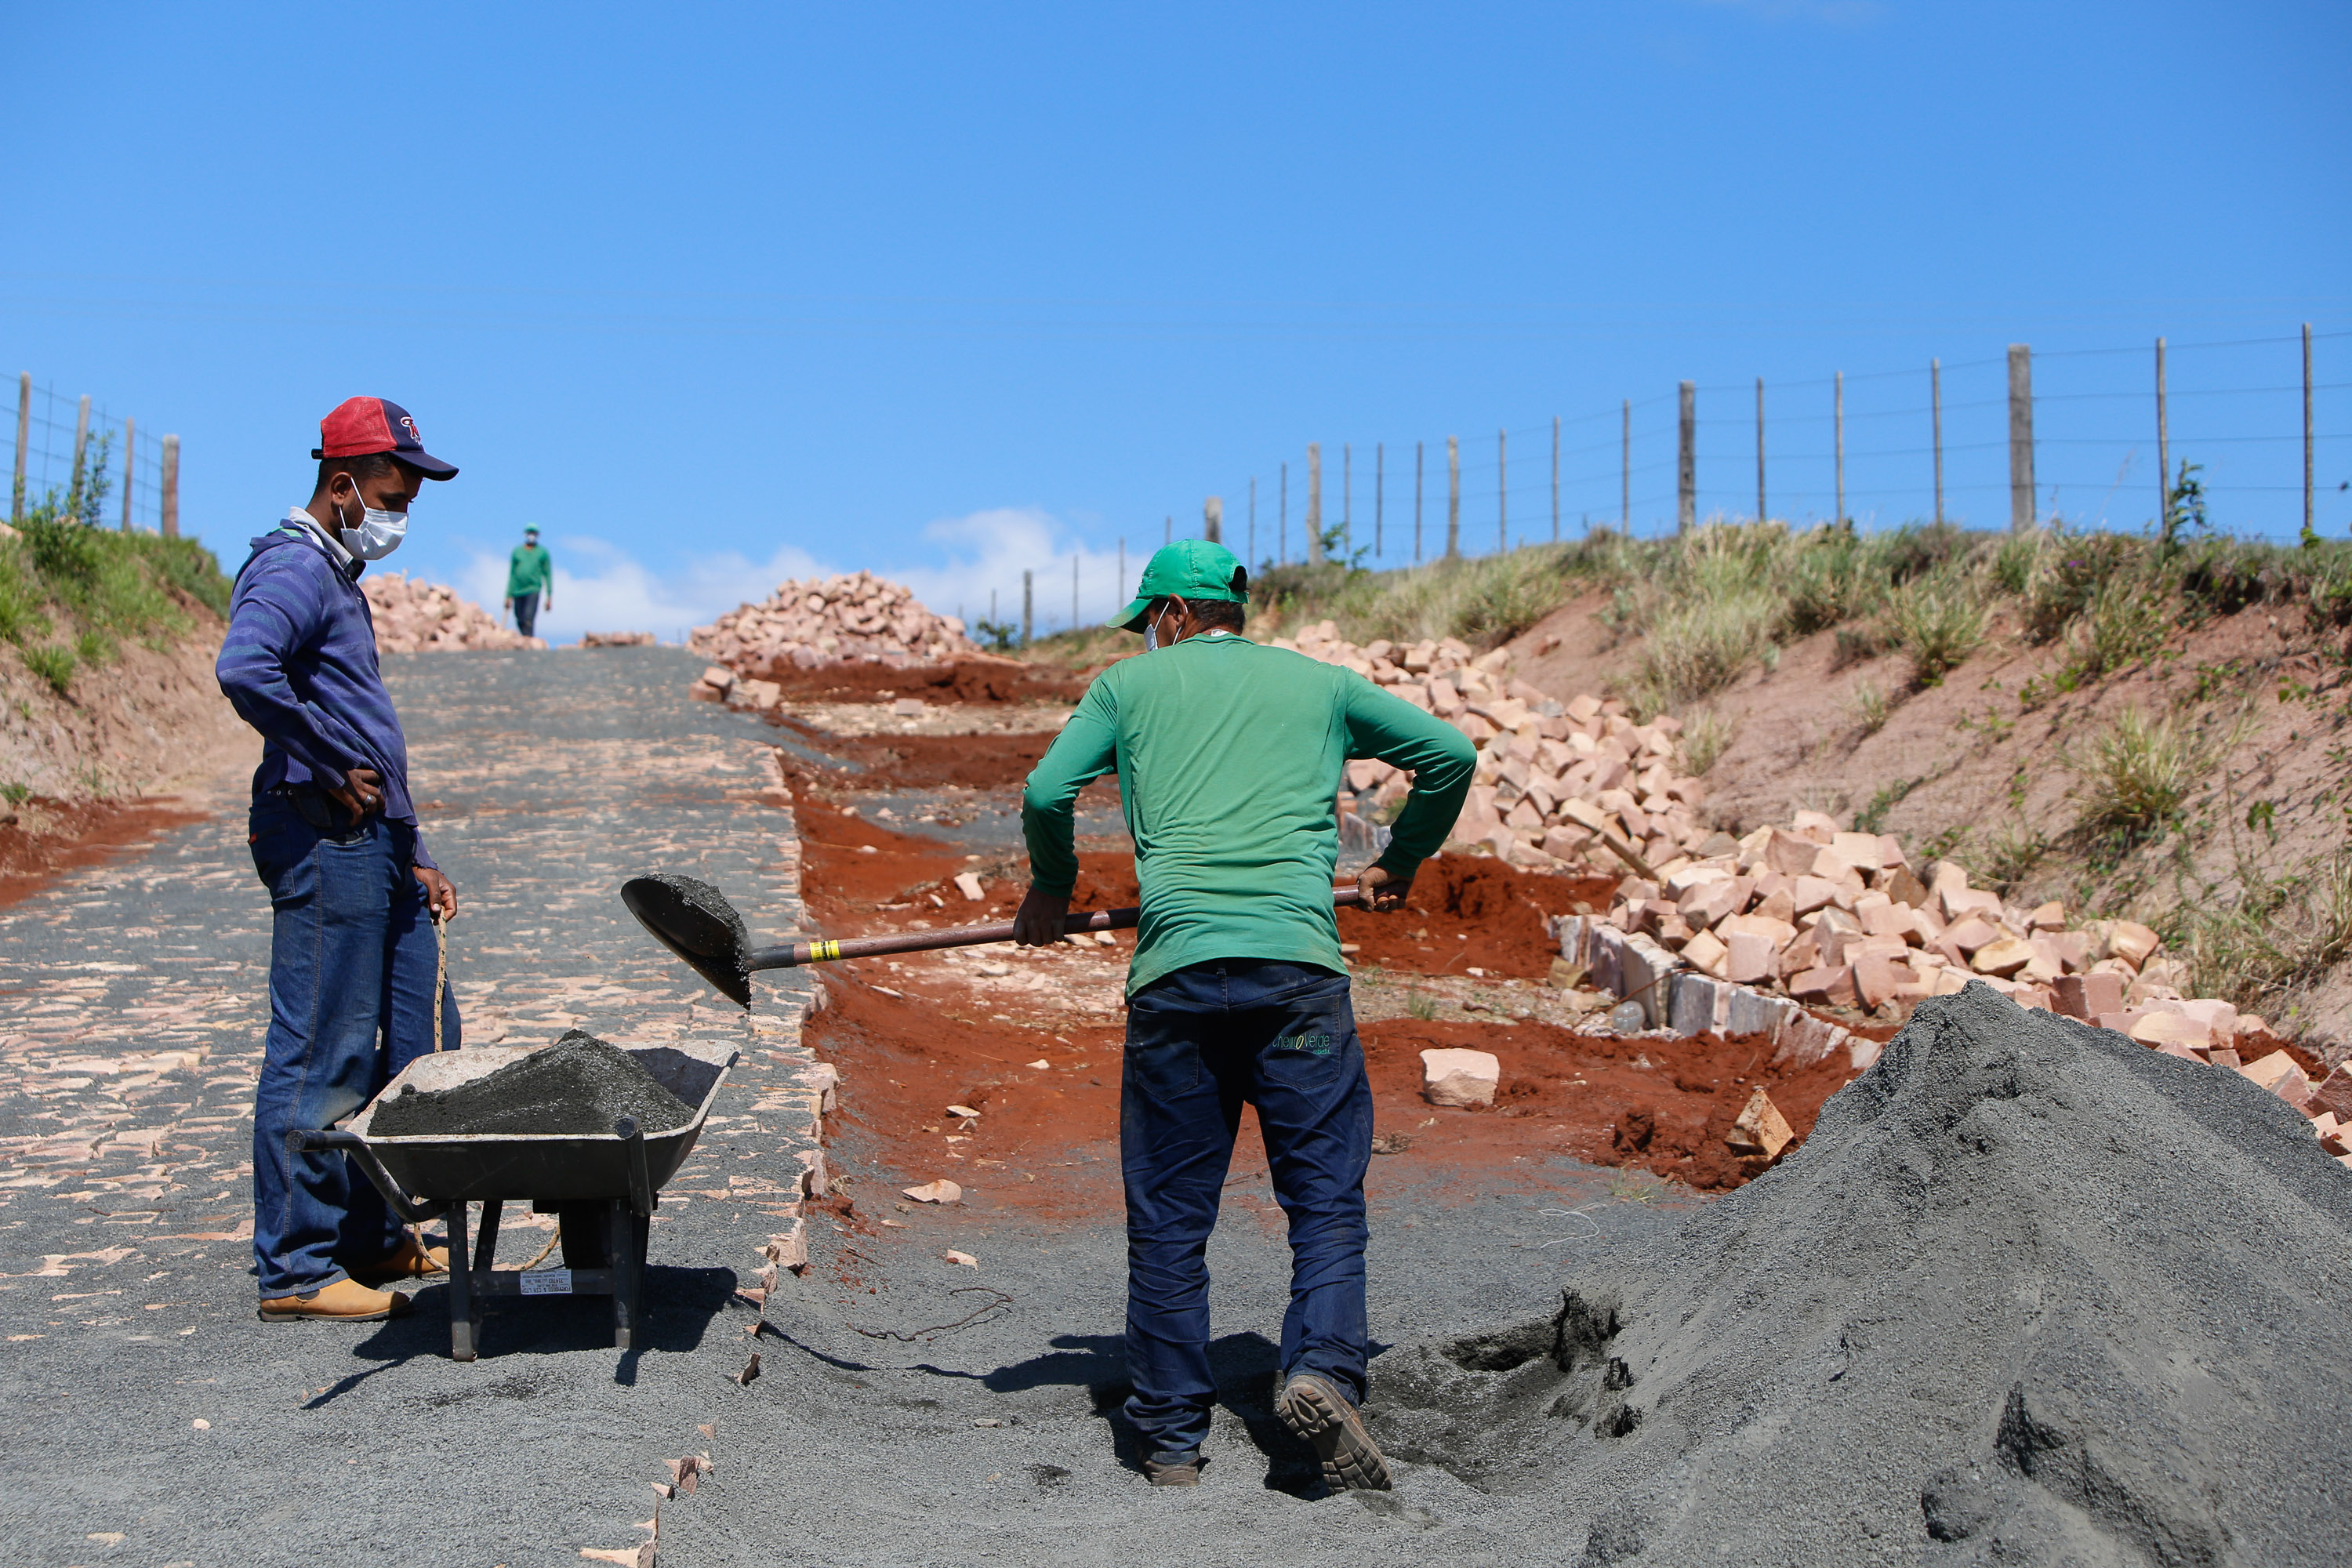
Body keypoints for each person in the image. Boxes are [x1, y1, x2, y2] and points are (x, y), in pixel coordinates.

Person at [1016, 540, 1476, 1491]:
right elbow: (1451, 753)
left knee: (1171, 1215)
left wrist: (1052, 890)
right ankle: (1321, 1371)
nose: (1150, 634)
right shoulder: (1321, 686)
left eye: (1151, 618)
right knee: (1323, 1202)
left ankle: (1173, 1438)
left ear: (1177, 613)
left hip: (1179, 979)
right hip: (1297, 977)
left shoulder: (1124, 690)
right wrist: (1401, 858)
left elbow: (1046, 790)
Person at [216, 396, 465, 1323]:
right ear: (343, 483)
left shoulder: (339, 577)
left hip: (377, 845)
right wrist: (324, 759)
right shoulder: (290, 567)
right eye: (394, 492)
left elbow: (373, 736)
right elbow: (246, 668)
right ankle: (298, 1264)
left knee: (416, 1042)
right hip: (320, 834)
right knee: (323, 1047)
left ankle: (374, 1232)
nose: (403, 512)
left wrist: (416, 847)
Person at [504, 526, 553, 637]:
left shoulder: (542, 553)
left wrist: (549, 596)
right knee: (520, 619)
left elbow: (548, 574)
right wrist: (508, 596)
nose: (531, 535)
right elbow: (512, 575)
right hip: (517, 590)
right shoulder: (517, 552)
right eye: (529, 532)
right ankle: (525, 640)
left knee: (528, 618)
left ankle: (529, 642)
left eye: (534, 533)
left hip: (533, 589)